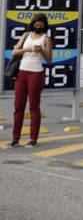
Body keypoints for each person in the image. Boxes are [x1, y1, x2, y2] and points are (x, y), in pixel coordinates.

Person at [7, 13, 53, 148]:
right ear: (32, 24)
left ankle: (33, 139)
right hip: (22, 73)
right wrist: (26, 49)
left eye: (41, 25)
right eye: (36, 25)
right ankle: (15, 139)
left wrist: (41, 51)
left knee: (34, 106)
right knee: (18, 107)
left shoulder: (46, 39)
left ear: (44, 25)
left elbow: (49, 59)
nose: (38, 27)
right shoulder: (26, 35)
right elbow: (14, 52)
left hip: (36, 74)